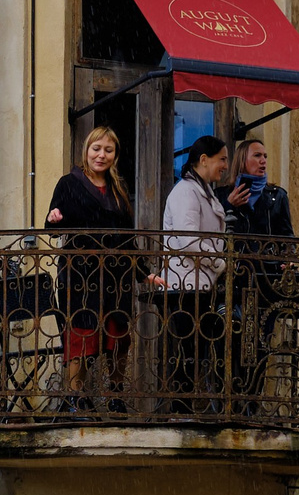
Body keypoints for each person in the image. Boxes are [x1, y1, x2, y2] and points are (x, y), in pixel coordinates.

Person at [45, 126, 136, 408]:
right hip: (79, 273)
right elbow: (50, 224)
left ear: (115, 155)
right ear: (86, 150)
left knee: (118, 335)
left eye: (108, 150)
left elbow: (128, 238)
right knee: (82, 336)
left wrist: (146, 272)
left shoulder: (119, 189)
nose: (101, 155)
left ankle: (116, 395)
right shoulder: (69, 183)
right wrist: (54, 217)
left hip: (116, 274)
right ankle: (76, 397)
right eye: (96, 148)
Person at [158, 135, 232, 413]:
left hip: (200, 285)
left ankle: (188, 406)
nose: (225, 165)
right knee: (188, 350)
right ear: (204, 160)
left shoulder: (204, 191)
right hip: (185, 284)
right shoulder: (185, 192)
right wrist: (220, 264)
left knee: (196, 350)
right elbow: (188, 239)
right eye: (222, 159)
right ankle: (180, 408)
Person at [220, 137, 294, 400]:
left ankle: (251, 401)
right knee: (233, 341)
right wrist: (230, 205)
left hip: (267, 282)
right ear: (243, 159)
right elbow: (213, 233)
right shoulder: (223, 195)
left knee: (261, 344)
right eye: (257, 156)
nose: (263, 161)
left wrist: (287, 258)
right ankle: (229, 400)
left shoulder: (277, 196)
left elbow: (288, 239)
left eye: (265, 157)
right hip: (234, 281)